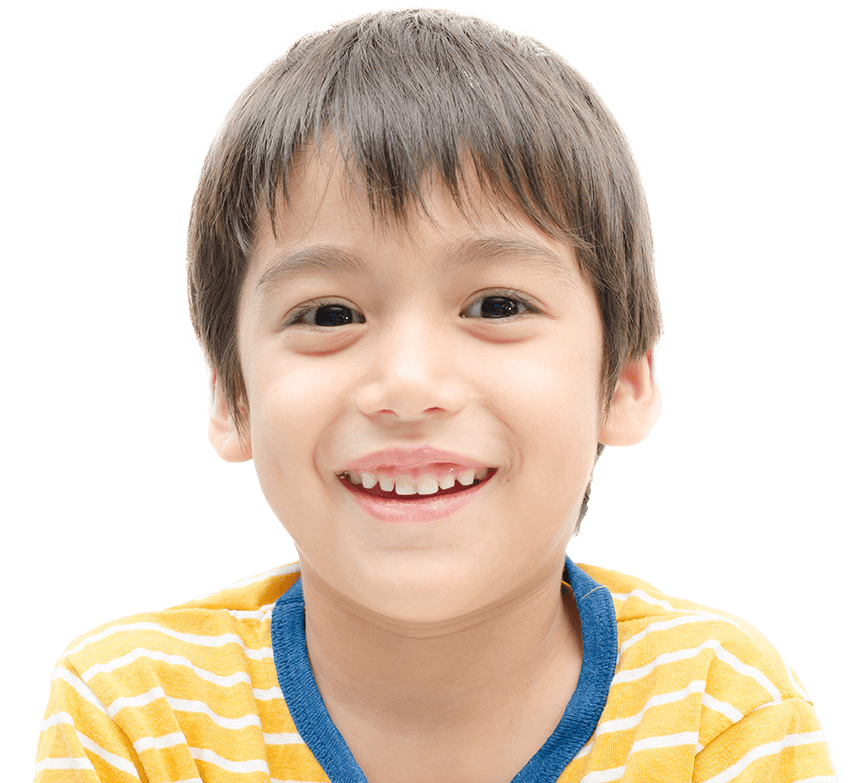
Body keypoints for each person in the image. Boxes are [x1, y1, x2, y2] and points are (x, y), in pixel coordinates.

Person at [34, 5, 844, 781]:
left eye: (496, 305)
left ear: (627, 373)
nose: (409, 385)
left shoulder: (719, 711)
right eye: (329, 314)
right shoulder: (135, 714)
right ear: (229, 393)